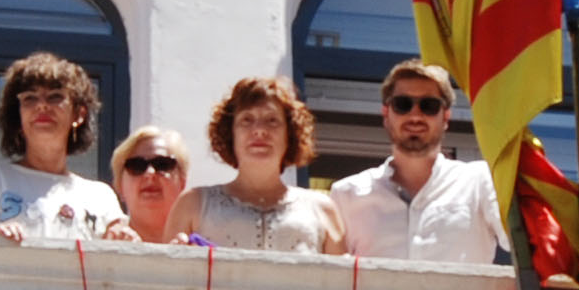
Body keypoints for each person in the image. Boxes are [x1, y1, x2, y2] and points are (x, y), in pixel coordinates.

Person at [330, 61, 506, 263]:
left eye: (428, 106)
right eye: (402, 105)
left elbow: (524, 244)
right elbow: (331, 281)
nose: (415, 115)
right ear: (386, 114)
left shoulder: (480, 182)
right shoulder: (346, 194)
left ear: (446, 117)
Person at [0, 52, 135, 243]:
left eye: (55, 97)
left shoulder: (100, 196)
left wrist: (125, 236)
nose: (41, 106)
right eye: (30, 98)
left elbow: (116, 260)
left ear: (79, 114)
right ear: (18, 114)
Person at [167, 76, 346, 253]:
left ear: (289, 134)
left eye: (272, 121)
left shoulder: (323, 211)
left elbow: (343, 280)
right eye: (247, 120)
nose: (260, 130)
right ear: (231, 134)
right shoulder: (193, 204)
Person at [110, 125, 191, 244]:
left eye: (163, 164)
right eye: (136, 166)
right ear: (119, 186)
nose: (150, 173)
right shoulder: (99, 245)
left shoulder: (204, 247)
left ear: (182, 182)